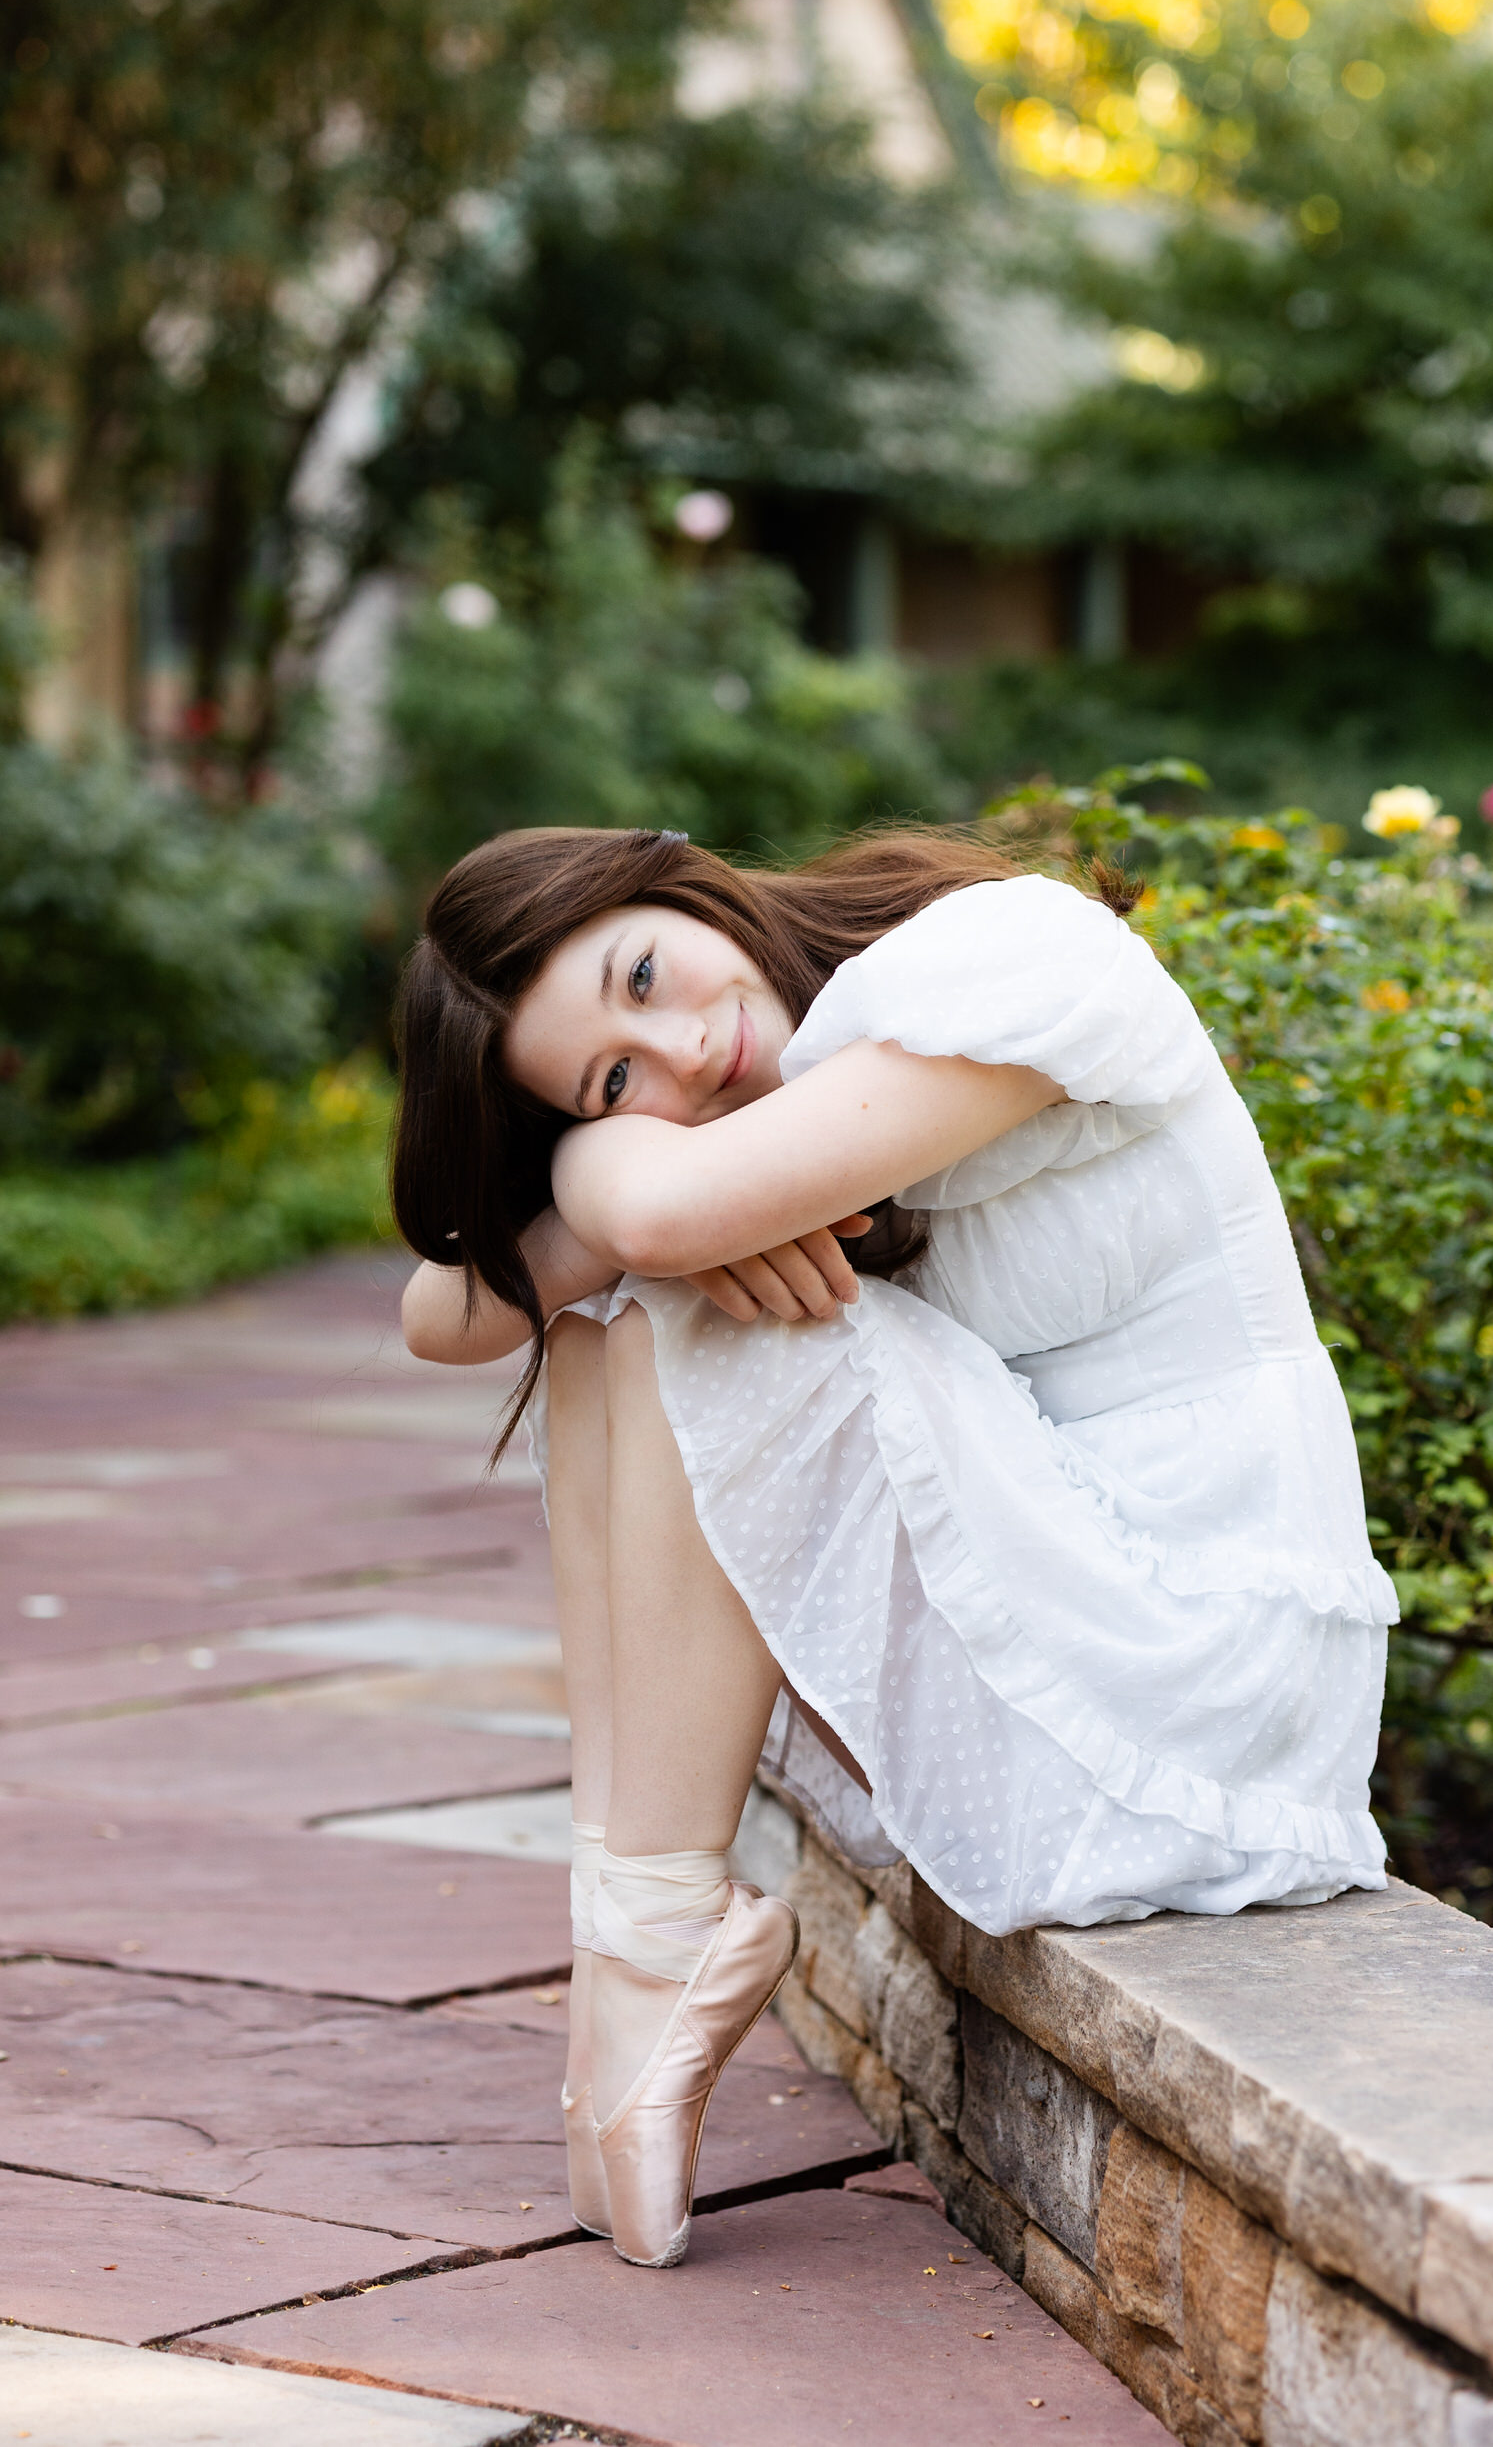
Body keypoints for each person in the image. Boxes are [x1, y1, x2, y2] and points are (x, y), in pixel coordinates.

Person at [395, 823, 1394, 2271]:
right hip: (1075, 1614)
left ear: (678, 888)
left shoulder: (1006, 956)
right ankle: (627, 1941)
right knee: (619, 1326)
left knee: (676, 1310)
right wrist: (639, 1208)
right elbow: (442, 1316)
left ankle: (661, 1938)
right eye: (616, 1078)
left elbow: (660, 1216)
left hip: (1208, 1670)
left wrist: (615, 1164)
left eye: (648, 974)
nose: (687, 1051)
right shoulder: (785, 1103)